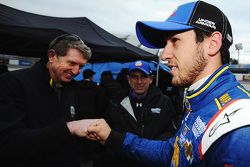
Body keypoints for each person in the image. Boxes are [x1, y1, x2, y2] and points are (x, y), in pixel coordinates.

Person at [86, 1, 250, 167]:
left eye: (175, 40)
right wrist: (112, 136)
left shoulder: (239, 129)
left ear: (212, 43)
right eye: (165, 44)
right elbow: (173, 153)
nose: (164, 55)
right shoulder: (199, 99)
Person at [0, 34, 98, 167]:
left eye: (81, 66)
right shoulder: (13, 82)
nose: (76, 71)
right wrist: (68, 128)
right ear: (52, 56)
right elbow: (8, 141)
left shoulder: (71, 87)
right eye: (72, 63)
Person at [97, 60, 179, 167]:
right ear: (128, 80)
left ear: (151, 79)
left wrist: (149, 149)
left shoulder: (164, 101)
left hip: (151, 161)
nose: (139, 81)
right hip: (122, 161)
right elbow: (107, 131)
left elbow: (171, 132)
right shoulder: (116, 102)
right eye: (134, 77)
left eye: (144, 76)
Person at [76, 69, 106, 167]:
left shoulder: (76, 86)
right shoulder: (96, 87)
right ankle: (88, 158)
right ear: (91, 76)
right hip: (92, 117)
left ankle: (80, 157)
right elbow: (101, 103)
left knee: (78, 137)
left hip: (78, 116)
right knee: (90, 137)